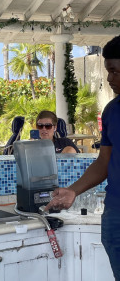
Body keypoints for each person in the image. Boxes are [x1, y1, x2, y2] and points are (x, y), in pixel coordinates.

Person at [45, 35, 120, 280]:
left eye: (115, 72)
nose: (109, 79)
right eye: (108, 71)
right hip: (116, 214)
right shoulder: (112, 111)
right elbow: (104, 162)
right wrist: (73, 190)